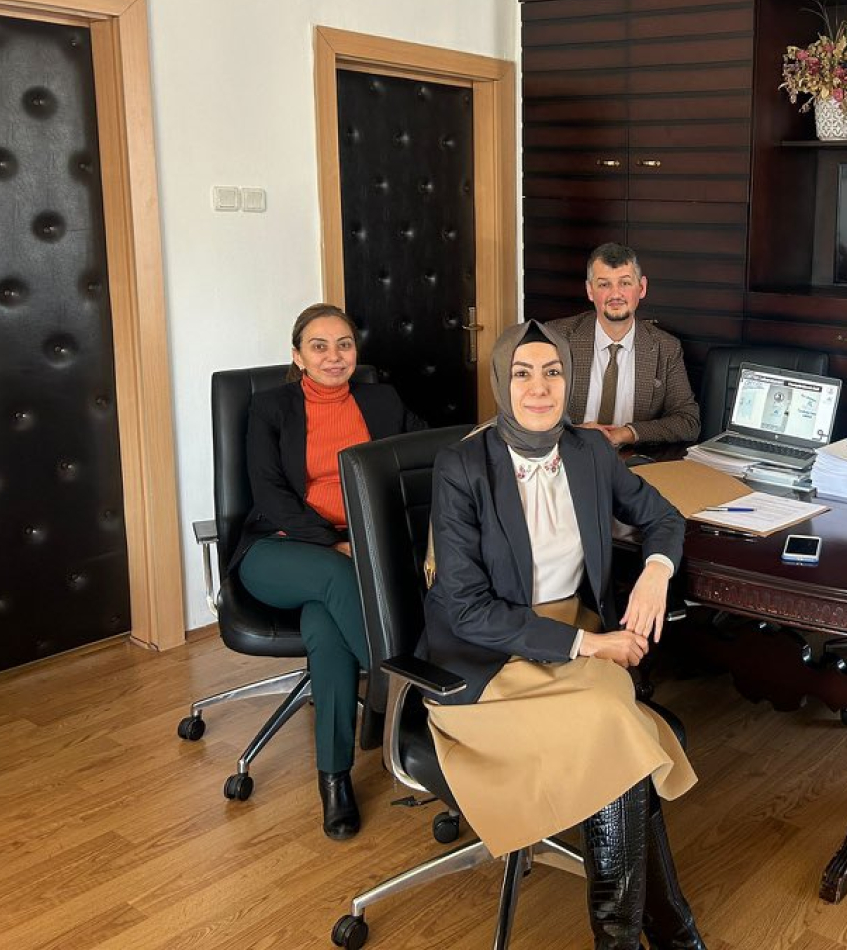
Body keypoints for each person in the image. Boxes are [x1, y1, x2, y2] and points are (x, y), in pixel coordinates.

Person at [422, 320, 705, 950]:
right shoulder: (463, 465)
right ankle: (669, 933)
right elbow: (466, 610)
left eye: (552, 372)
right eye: (523, 373)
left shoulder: (589, 451)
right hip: (489, 660)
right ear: (502, 381)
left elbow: (662, 516)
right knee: (620, 729)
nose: (540, 387)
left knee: (615, 734)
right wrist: (592, 645)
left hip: (574, 642)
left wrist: (656, 573)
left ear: (568, 380)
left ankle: (644, 936)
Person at [231, 303, 423, 840]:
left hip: (354, 554)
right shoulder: (270, 407)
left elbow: (427, 455)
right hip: (278, 549)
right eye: (319, 346)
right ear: (298, 356)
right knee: (335, 578)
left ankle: (334, 779)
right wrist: (337, 544)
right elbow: (270, 494)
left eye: (344, 344)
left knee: (325, 629)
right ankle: (407, 705)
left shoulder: (382, 400)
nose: (334, 356)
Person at [548, 242, 701, 446]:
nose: (615, 294)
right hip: (569, 453)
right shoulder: (556, 338)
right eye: (604, 284)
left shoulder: (666, 348)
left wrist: (627, 433)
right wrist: (574, 433)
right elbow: (523, 412)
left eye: (625, 283)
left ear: (642, 287)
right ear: (590, 290)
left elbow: (688, 422)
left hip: (631, 458)